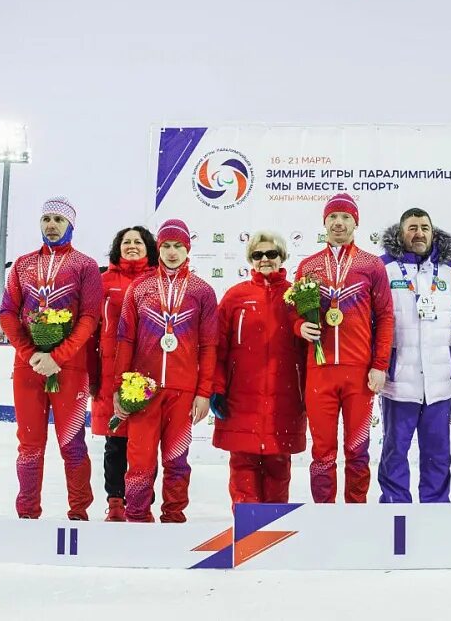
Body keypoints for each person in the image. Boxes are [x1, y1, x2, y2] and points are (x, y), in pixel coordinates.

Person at [0, 196, 101, 520]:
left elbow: (89, 318)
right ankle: (27, 513)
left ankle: (79, 513)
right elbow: (7, 313)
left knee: (72, 444)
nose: (52, 226)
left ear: (71, 225)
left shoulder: (85, 266)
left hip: (69, 367)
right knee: (29, 445)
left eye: (59, 220)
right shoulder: (22, 264)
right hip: (29, 366)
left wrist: (59, 356)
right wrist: (31, 354)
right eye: (47, 220)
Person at [112, 219, 217, 522]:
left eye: (179, 246)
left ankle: (173, 518)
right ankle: (138, 519)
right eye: (167, 246)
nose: (172, 252)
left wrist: (203, 393)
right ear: (159, 249)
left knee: (177, 460)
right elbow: (125, 340)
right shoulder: (139, 288)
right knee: (140, 461)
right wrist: (120, 386)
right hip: (143, 389)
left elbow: (209, 347)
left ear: (188, 249)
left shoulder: (203, 292)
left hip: (184, 391)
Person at [293, 193, 394, 503]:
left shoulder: (371, 265)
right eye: (333, 216)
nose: (338, 222)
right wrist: (300, 327)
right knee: (322, 450)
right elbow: (293, 313)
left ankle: (356, 511)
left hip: (358, 372)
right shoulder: (308, 266)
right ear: (324, 222)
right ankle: (324, 513)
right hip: (319, 371)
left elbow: (386, 316)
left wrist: (380, 365)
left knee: (357, 447)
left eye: (345, 217)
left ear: (355, 222)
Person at [377, 207, 451, 503]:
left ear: (433, 231)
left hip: (440, 383)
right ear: (401, 233)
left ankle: (436, 510)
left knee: (437, 453)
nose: (419, 233)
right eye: (412, 227)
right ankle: (394, 508)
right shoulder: (383, 268)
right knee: (394, 451)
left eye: (425, 227)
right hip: (398, 381)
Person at [211, 231, 307, 504]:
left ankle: (273, 535)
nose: (265, 259)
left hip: (284, 400)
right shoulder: (235, 297)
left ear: (282, 257)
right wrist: (216, 388)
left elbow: (308, 351)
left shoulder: (296, 296)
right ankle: (247, 536)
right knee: (243, 468)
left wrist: (307, 393)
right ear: (250, 260)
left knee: (278, 469)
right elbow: (218, 348)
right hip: (240, 401)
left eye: (271, 254)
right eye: (258, 255)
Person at [89, 226, 158, 521]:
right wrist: (93, 376)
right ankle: (116, 501)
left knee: (145, 441)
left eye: (138, 242)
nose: (132, 246)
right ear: (117, 248)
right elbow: (91, 332)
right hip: (109, 371)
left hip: (147, 371)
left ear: (149, 248)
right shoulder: (102, 282)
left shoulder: (158, 281)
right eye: (126, 242)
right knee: (115, 441)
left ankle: (142, 502)